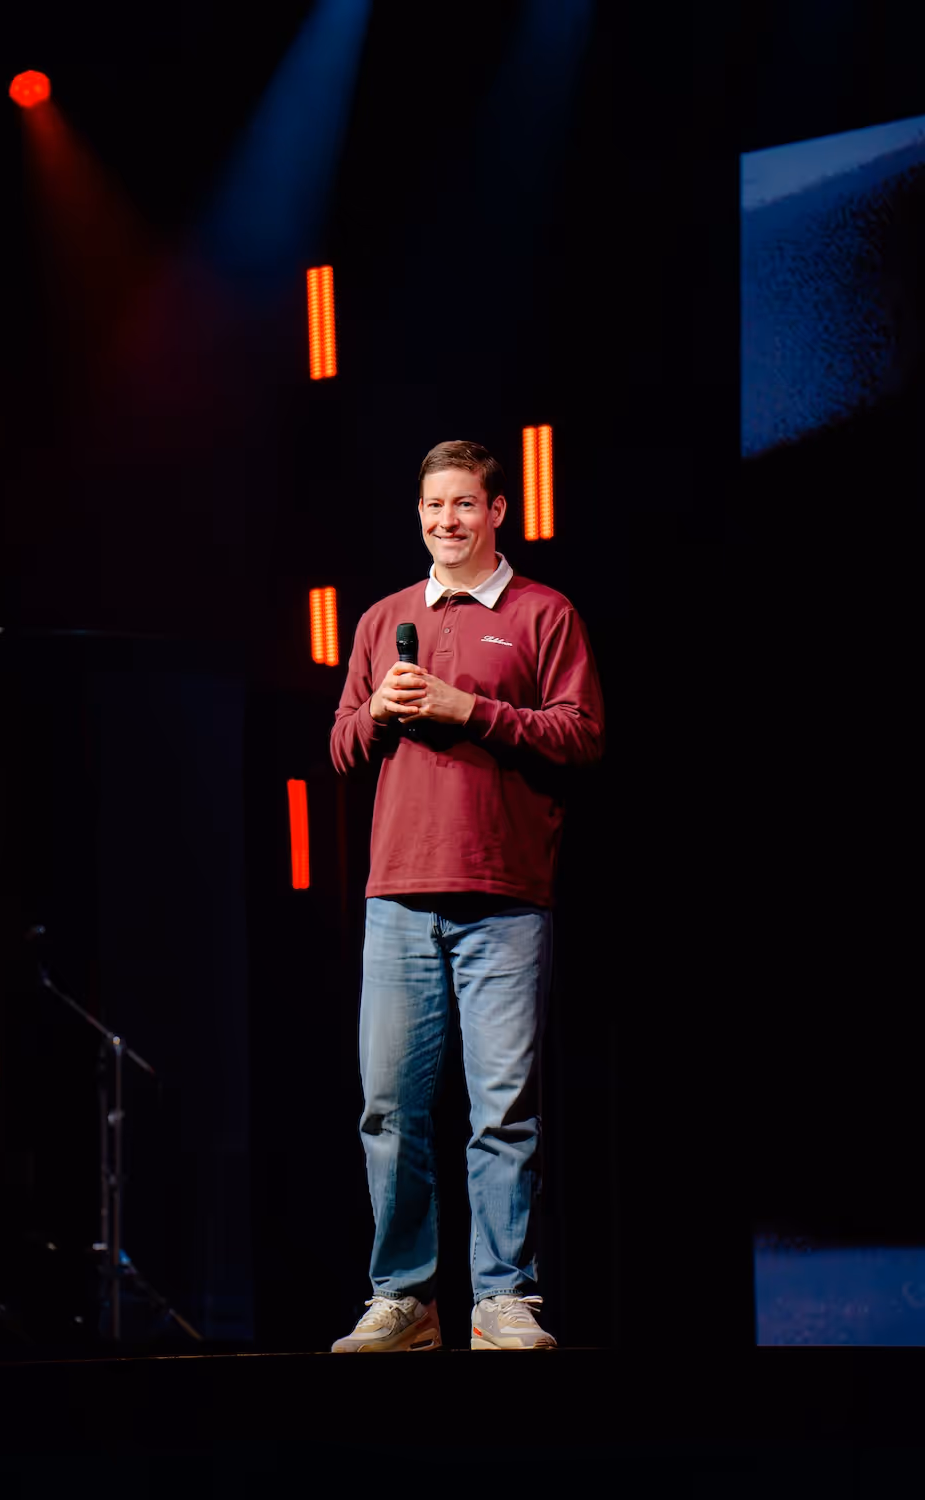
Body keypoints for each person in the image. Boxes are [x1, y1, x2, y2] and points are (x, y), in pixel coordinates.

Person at [328, 439, 604, 1351]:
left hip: (506, 893)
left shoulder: (542, 613)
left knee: (503, 1111)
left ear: (497, 513)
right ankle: (404, 1298)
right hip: (398, 896)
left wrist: (468, 710)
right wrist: (377, 713)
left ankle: (502, 1299)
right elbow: (338, 748)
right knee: (389, 1109)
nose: (446, 520)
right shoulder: (382, 619)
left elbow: (579, 734)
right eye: (432, 506)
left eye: (464, 505)